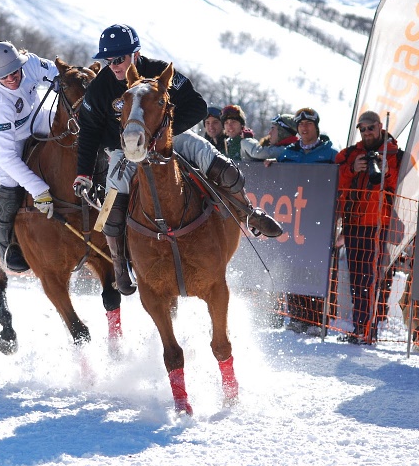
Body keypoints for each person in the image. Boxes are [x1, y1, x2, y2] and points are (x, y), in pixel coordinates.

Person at [74, 24, 282, 295]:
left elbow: (197, 106)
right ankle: (120, 267)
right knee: (112, 198)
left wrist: (164, 134)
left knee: (213, 158)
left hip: (169, 138)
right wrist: (84, 173)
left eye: (119, 59)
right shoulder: (100, 87)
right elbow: (89, 131)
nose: (113, 65)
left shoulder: (160, 71)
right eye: (108, 60)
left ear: (135, 55)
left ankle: (249, 213)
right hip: (126, 149)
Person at [0, 41, 58, 273]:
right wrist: (39, 190)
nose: (11, 79)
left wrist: (64, 82)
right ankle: (6, 246)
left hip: (33, 117)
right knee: (9, 183)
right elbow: (9, 159)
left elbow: (55, 72)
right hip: (4, 138)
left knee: (71, 127)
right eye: (3, 77)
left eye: (14, 72)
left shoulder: (29, 62)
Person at [264, 108, 338, 335]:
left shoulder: (330, 153)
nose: (304, 128)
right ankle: (296, 316)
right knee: (292, 264)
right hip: (293, 220)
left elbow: (339, 183)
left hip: (319, 220)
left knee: (314, 268)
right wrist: (269, 167)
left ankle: (316, 320)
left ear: (316, 127)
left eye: (308, 124)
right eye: (301, 125)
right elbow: (279, 182)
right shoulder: (288, 153)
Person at [335, 110, 402, 344]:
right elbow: (336, 178)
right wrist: (352, 168)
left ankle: (368, 329)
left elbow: (402, 186)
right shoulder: (351, 154)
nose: (366, 132)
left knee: (372, 279)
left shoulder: (395, 155)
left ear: (380, 126)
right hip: (353, 224)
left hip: (379, 226)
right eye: (362, 129)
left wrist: (386, 171)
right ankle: (359, 328)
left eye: (370, 127)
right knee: (357, 279)